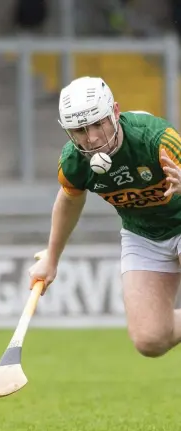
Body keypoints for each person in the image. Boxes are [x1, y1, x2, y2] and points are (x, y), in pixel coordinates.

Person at [28, 76, 181, 358]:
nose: (93, 138)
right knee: (150, 339)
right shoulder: (74, 162)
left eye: (98, 123)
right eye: (80, 130)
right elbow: (69, 200)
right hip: (143, 234)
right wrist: (52, 256)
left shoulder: (158, 139)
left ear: (115, 112)